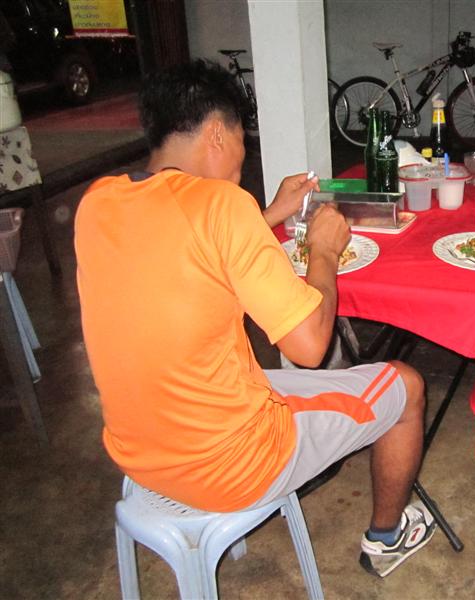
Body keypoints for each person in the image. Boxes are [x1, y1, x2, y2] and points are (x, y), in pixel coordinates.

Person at [74, 60, 435, 578]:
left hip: (140, 455)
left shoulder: (98, 203)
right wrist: (324, 251)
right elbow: (310, 348)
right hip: (232, 466)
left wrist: (269, 215)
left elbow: (185, 253)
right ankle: (387, 538)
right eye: (243, 140)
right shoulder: (222, 204)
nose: (244, 157)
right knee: (407, 385)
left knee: (272, 379)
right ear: (218, 133)